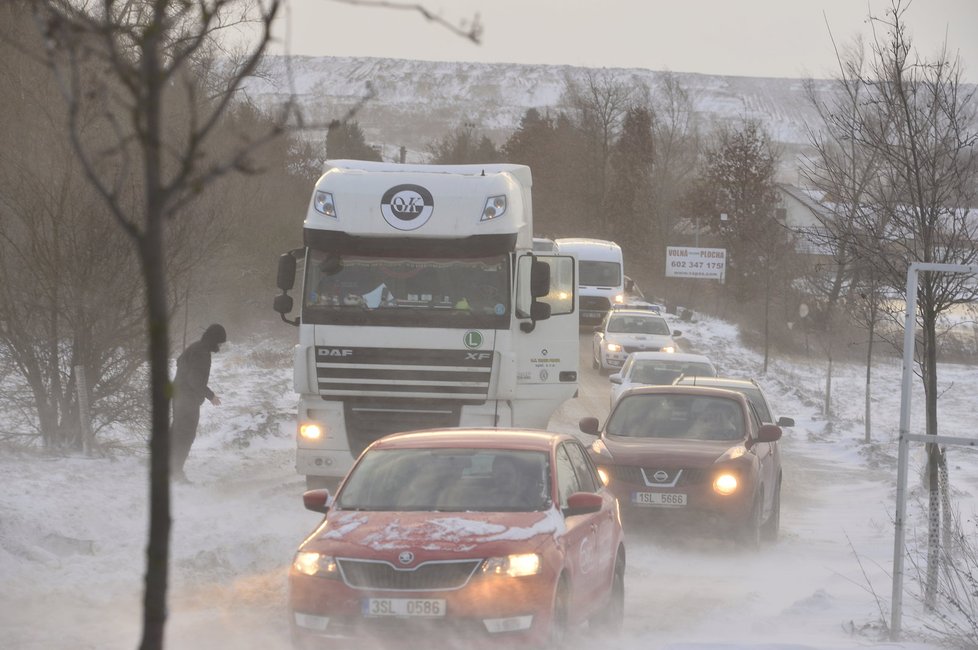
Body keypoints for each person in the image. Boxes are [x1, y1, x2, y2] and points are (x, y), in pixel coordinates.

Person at [170, 323, 226, 483]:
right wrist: (211, 396)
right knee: (185, 435)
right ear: (214, 340)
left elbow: (180, 361)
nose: (220, 346)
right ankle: (176, 471)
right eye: (219, 342)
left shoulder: (195, 347)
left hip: (178, 395)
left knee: (177, 432)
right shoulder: (202, 353)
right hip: (187, 399)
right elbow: (194, 380)